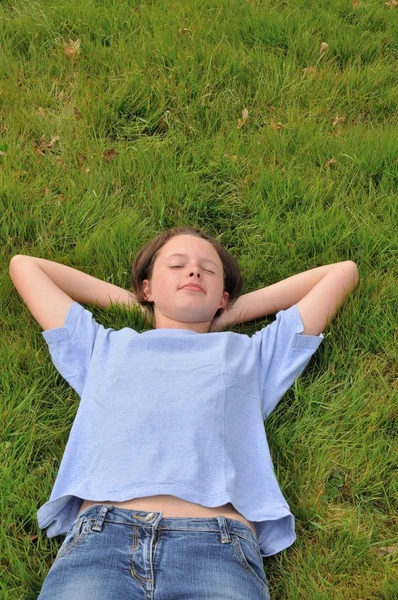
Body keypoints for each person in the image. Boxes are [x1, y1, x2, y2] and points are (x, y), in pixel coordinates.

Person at [9, 226, 359, 599]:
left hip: (216, 547)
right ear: (147, 287)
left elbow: (341, 273)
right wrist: (140, 305)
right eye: (177, 265)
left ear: (224, 296)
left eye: (208, 271)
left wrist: (223, 314)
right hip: (102, 541)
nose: (194, 272)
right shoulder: (104, 348)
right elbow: (26, 267)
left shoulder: (249, 355)